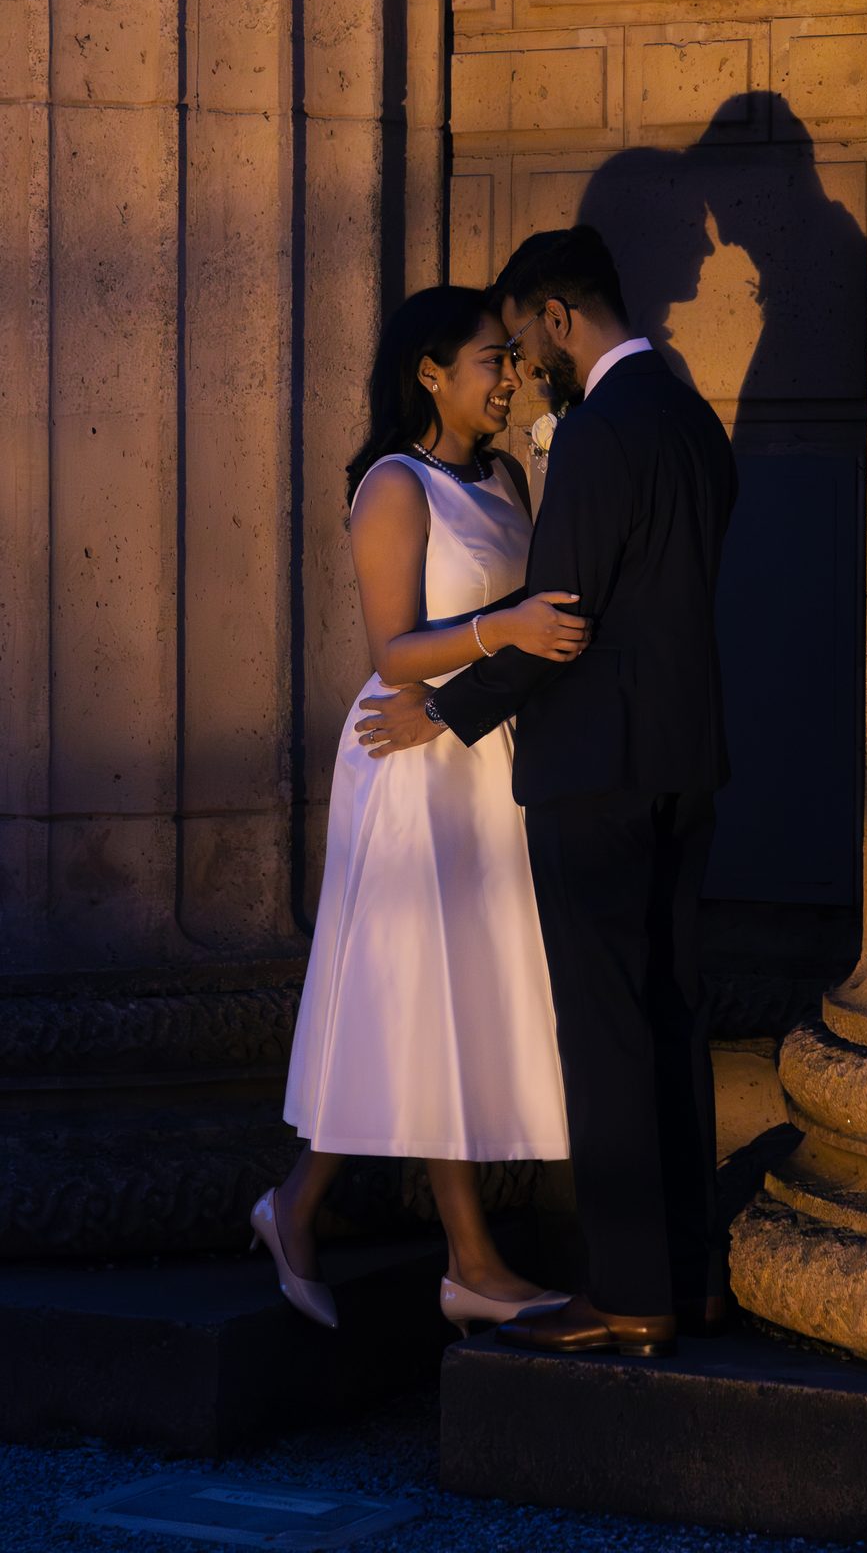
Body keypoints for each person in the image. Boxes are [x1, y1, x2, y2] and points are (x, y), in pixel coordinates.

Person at [357, 226, 738, 1358]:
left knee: (610, 1028)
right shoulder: (685, 415)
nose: (524, 362)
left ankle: (629, 1291)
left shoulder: (597, 437)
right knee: (672, 1017)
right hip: (685, 755)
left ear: (559, 316)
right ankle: (690, 1275)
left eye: (525, 336)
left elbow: (560, 618)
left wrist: (448, 709)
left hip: (596, 768)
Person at [253, 286, 588, 1332]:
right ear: (430, 372)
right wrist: (507, 627)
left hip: (474, 749)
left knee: (450, 1001)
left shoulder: (499, 474)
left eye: (509, 357)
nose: (509, 376)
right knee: (416, 995)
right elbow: (391, 649)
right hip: (408, 757)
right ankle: (463, 1258)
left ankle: (322, 1211)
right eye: (491, 359)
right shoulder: (393, 486)